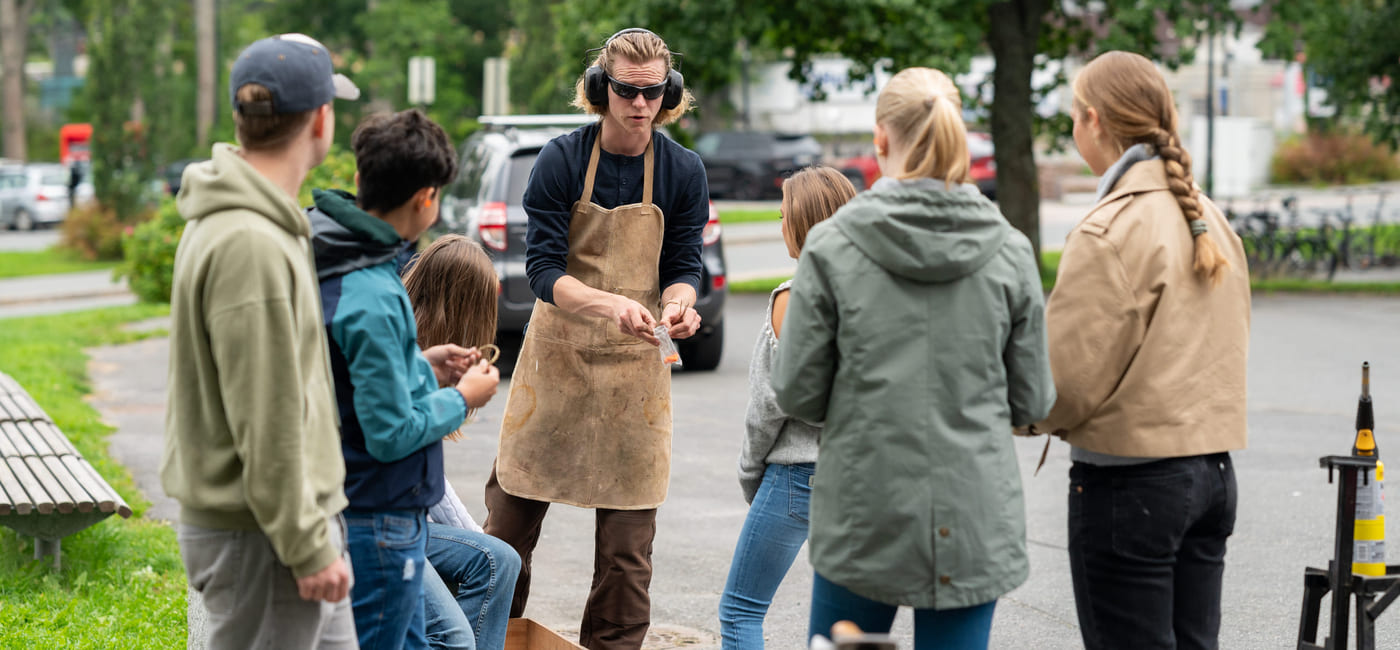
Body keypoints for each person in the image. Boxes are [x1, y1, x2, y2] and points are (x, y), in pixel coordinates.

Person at [770, 67, 1056, 650]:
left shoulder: (831, 247)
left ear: (881, 139)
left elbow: (798, 393)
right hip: (972, 514)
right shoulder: (1010, 250)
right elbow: (1032, 399)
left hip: (862, 511)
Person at [482, 27, 708, 650]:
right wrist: (609, 303)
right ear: (599, 90)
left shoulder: (684, 170)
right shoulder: (560, 159)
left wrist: (679, 304)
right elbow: (543, 271)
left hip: (637, 375)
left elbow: (686, 264)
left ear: (669, 95)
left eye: (652, 93)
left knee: (626, 560)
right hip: (556, 365)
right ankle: (486, 638)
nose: (640, 105)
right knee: (505, 532)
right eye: (626, 91)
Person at [1035, 50, 1250, 650]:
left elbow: (1064, 383)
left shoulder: (1110, 228)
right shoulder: (1209, 218)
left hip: (1132, 485)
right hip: (1212, 474)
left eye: (1074, 116)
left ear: (1095, 121)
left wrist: (1019, 411)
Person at [160, 33, 361, 648]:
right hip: (265, 537)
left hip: (289, 524)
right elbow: (265, 417)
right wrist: (305, 545)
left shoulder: (251, 220)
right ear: (321, 119)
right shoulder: (250, 241)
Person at [309, 108, 501, 650]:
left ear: (359, 180)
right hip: (378, 520)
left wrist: (426, 365)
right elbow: (389, 432)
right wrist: (462, 398)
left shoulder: (345, 257)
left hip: (368, 511)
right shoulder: (371, 287)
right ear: (425, 198)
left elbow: (353, 377)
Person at [717, 166, 856, 649]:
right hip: (859, 472)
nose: (780, 226)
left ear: (803, 222)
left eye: (783, 215)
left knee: (740, 610)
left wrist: (750, 473)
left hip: (798, 475)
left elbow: (766, 408)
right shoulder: (873, 294)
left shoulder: (791, 298)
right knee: (845, 620)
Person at [402, 234, 522, 650]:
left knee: (498, 558)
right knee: (458, 632)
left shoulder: (416, 349)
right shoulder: (410, 358)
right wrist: (459, 399)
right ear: (465, 309)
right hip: (376, 524)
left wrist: (478, 540)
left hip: (397, 518)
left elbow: (428, 476)